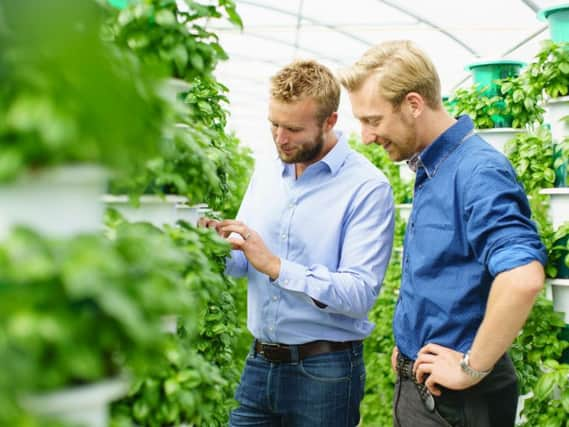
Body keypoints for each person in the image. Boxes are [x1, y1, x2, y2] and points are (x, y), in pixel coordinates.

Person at [339, 40, 547, 427]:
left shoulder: (477, 172)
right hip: (427, 390)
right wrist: (408, 347)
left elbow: (523, 277)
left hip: (458, 402)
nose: (365, 136)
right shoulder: (435, 168)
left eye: (373, 120)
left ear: (414, 104)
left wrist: (470, 367)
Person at [201, 59, 395, 426]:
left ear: (330, 122)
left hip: (324, 371)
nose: (280, 138)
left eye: (293, 128)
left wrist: (275, 267)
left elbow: (359, 293)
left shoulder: (367, 188)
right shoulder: (267, 170)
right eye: (273, 124)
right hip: (259, 366)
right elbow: (245, 262)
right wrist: (217, 245)